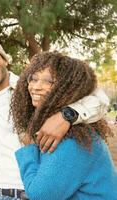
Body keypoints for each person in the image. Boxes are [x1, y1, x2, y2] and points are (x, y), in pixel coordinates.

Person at [0, 39, 110, 200]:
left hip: (31, 187)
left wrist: (67, 115)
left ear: (5, 60)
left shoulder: (28, 87)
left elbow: (100, 98)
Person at [11, 51, 117, 199]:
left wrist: (28, 147)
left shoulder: (74, 140)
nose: (36, 87)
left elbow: (39, 195)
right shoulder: (58, 127)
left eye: (49, 81)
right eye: (33, 79)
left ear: (68, 87)